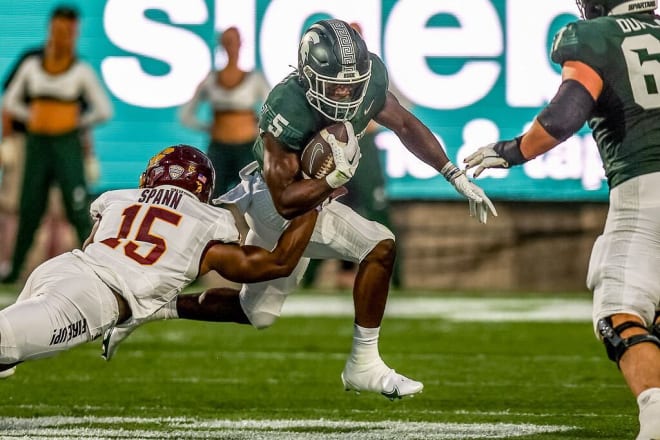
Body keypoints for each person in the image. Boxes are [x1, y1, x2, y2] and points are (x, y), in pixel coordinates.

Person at [105, 19, 497, 400]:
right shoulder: (286, 106)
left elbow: (406, 124)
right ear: (309, 77)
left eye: (352, 86)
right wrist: (329, 179)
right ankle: (363, 364)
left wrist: (452, 173)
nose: (344, 95)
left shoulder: (370, 77)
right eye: (335, 87)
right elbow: (284, 200)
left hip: (316, 199)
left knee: (255, 312)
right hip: (279, 203)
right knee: (380, 244)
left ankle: (149, 308)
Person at [464, 1, 660, 438]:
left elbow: (565, 114)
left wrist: (512, 151)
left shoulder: (595, 36)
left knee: (620, 315)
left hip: (646, 191)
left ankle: (656, 422)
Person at [0, 145, 319, 379]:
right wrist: (311, 204)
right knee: (6, 343)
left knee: (7, 358)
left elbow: (93, 243)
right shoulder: (208, 221)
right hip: (93, 298)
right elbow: (277, 264)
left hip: (60, 268)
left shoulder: (119, 197)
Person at [1, 4, 113, 284]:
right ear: (52, 28)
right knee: (29, 207)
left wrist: (74, 122)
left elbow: (104, 110)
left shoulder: (80, 70)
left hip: (67, 146)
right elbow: (10, 101)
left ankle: (97, 266)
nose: (64, 36)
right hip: (37, 144)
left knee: (77, 208)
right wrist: (34, 118)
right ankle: (15, 269)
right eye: (60, 29)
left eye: (70, 31)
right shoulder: (31, 65)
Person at [179, 26, 270, 199]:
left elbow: (271, 108)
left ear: (241, 44)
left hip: (247, 148)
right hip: (219, 149)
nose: (232, 47)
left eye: (234, 42)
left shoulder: (255, 79)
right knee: (212, 194)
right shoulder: (211, 79)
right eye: (228, 42)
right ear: (222, 45)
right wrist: (207, 127)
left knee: (251, 196)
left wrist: (258, 127)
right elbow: (186, 115)